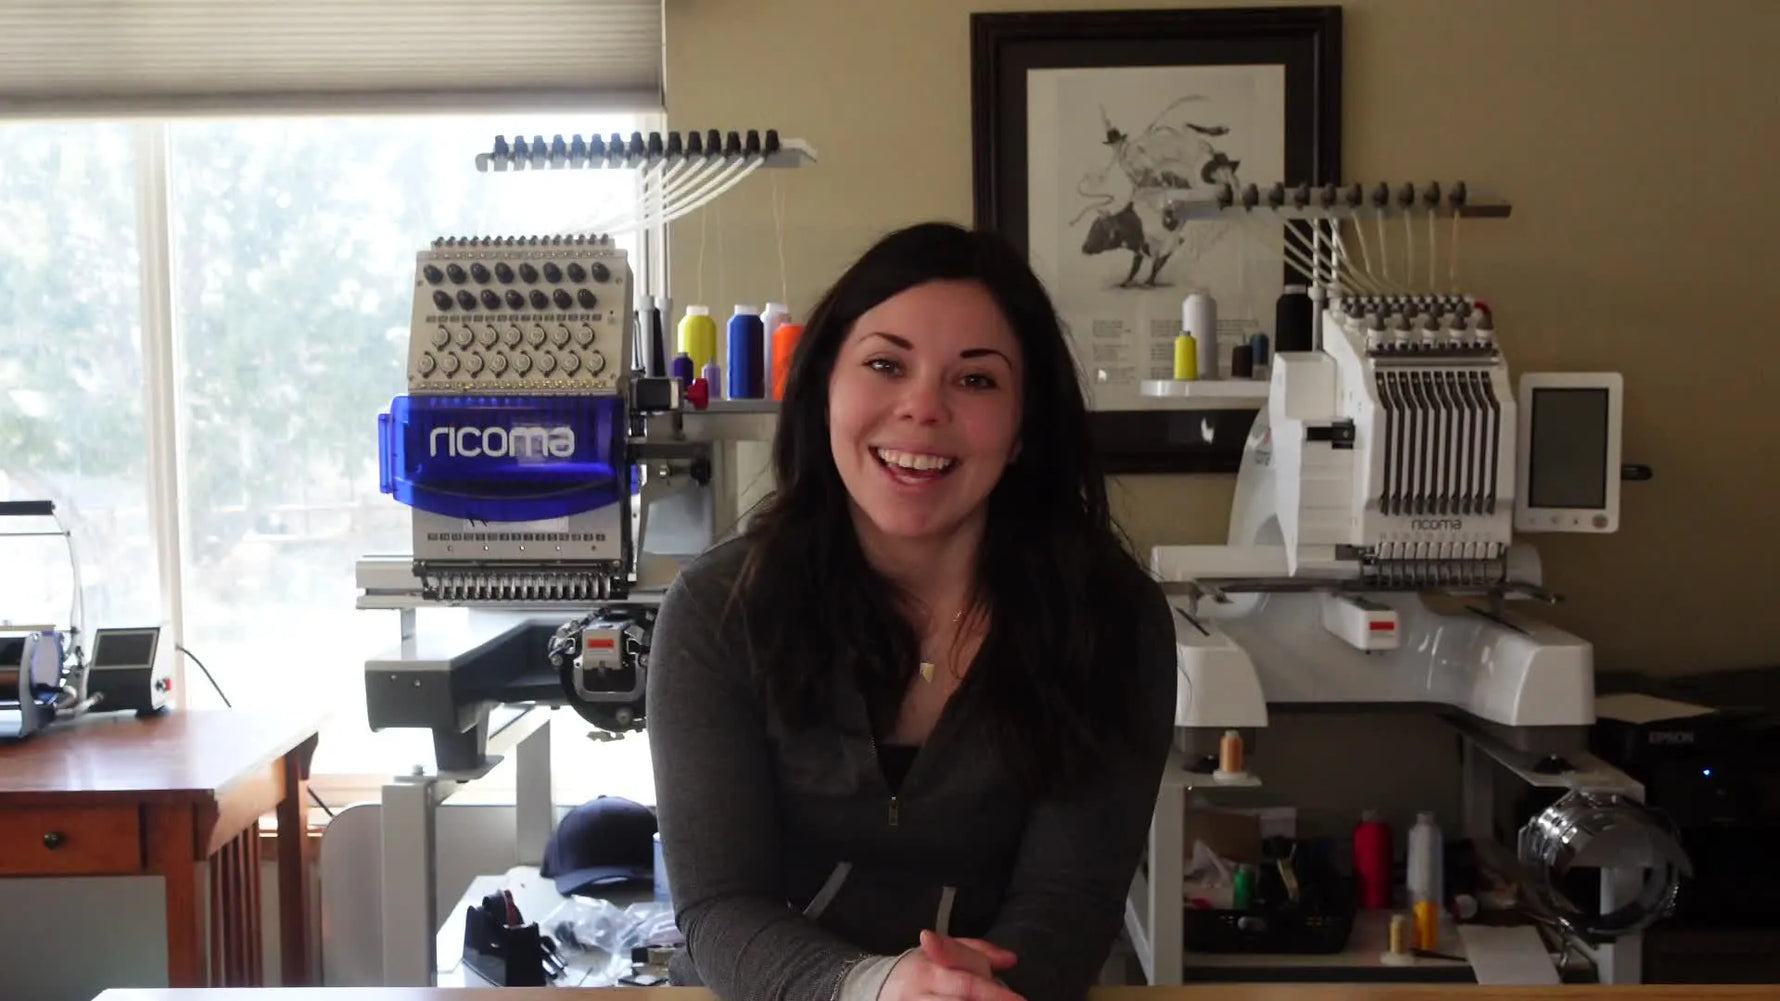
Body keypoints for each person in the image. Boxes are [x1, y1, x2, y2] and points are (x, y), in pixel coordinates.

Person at [646, 221, 1178, 1001]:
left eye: (976, 379)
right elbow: (720, 904)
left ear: (1026, 421)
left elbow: (1068, 905)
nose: (923, 409)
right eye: (886, 364)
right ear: (826, 383)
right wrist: (870, 987)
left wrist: (957, 994)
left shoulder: (1115, 620)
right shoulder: (717, 610)